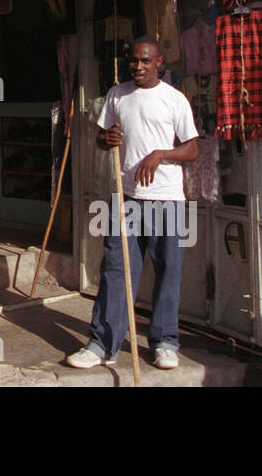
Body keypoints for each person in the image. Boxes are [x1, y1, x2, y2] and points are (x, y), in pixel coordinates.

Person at [67, 35, 198, 371]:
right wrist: (105, 138)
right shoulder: (117, 94)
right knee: (116, 269)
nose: (137, 67)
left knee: (168, 270)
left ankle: (165, 342)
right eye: (133, 61)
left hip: (167, 199)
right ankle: (102, 344)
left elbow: (192, 149)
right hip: (127, 198)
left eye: (144, 61)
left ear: (159, 62)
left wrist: (160, 154)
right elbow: (101, 138)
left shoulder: (174, 99)